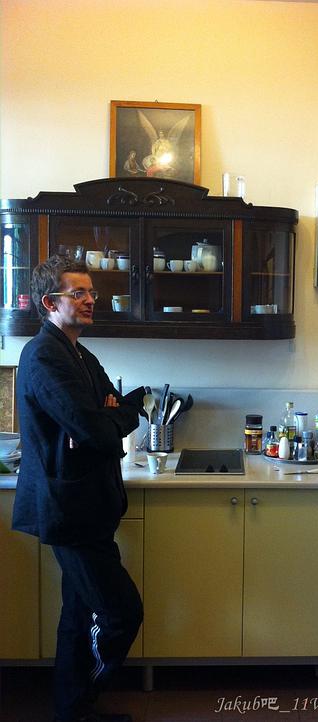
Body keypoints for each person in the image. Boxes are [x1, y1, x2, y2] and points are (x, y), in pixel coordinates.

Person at [12, 255, 146, 722]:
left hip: (90, 506)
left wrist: (112, 415)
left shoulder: (81, 355)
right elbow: (98, 430)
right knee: (121, 612)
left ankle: (73, 711)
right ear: (50, 303)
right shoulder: (44, 356)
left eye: (91, 292)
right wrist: (110, 417)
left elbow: (121, 410)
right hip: (69, 510)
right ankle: (84, 694)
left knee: (78, 613)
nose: (91, 300)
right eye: (79, 293)